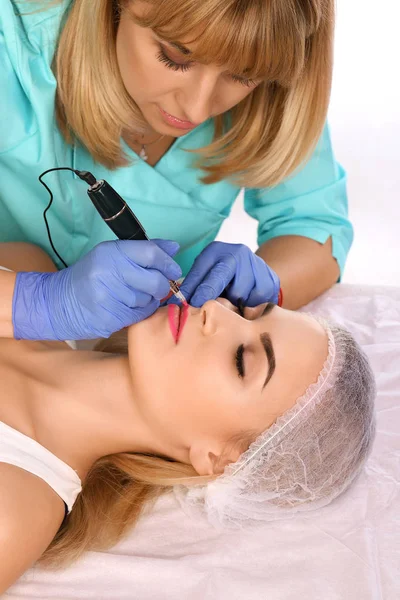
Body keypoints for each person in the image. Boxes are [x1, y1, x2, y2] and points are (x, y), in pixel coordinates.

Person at [0, 243, 376, 593]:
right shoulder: (28, 267)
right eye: (244, 311)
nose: (215, 309)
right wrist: (29, 301)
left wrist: (26, 303)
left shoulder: (13, 514)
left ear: (217, 459)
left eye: (242, 360)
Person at [0, 0, 353, 344]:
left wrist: (261, 290)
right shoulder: (12, 44)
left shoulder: (269, 97)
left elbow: (315, 225)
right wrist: (36, 303)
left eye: (243, 76)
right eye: (177, 55)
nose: (198, 109)